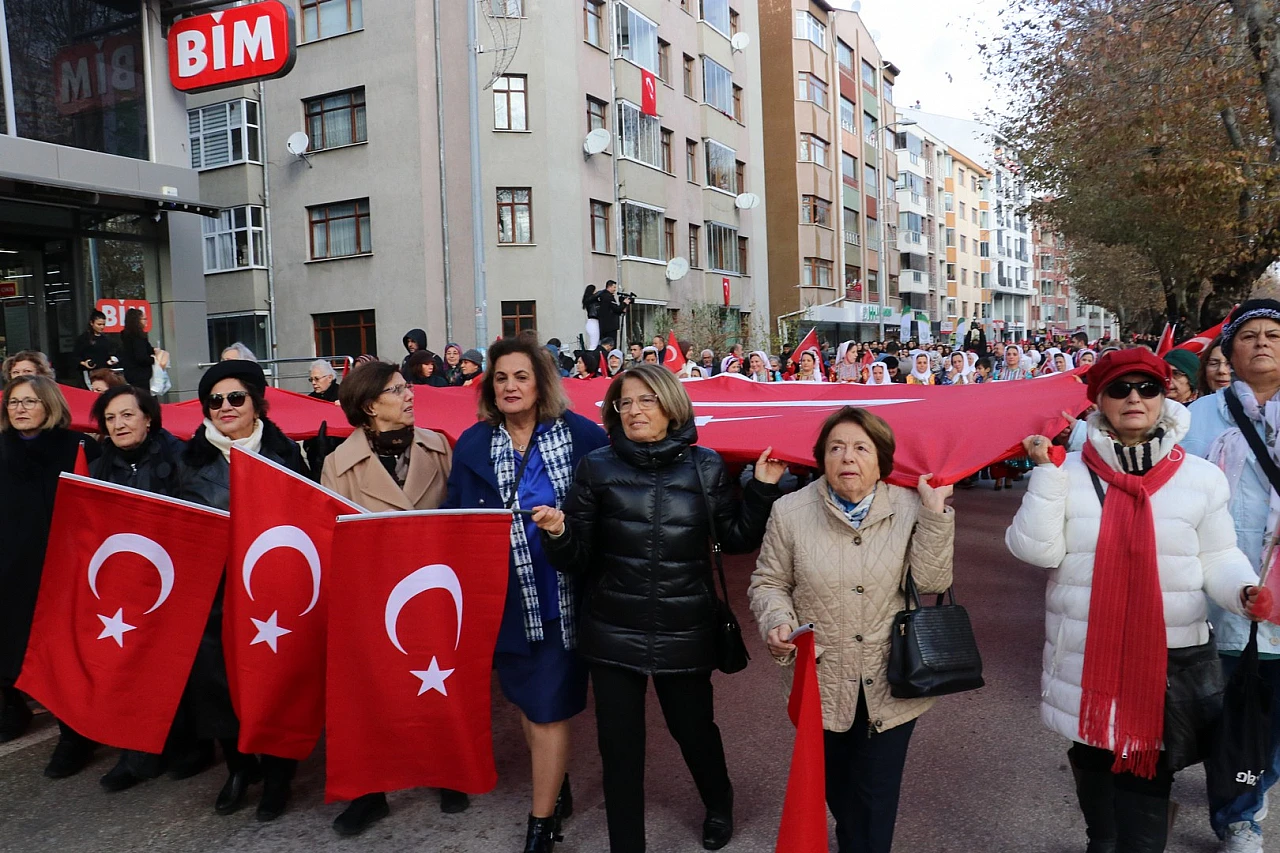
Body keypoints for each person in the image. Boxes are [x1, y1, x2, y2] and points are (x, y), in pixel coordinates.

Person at [1008, 347, 1265, 853]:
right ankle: (1101, 839)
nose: (1134, 398)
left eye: (1147, 388)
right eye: (1120, 388)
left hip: (1166, 655)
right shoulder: (1066, 471)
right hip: (1087, 649)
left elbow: (1218, 556)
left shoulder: (1200, 478)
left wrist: (1243, 591)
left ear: (1163, 396)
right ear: (1098, 400)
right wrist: (1047, 475)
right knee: (1092, 754)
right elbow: (1036, 551)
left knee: (1149, 764)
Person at [535, 364, 784, 852]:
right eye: (624, 402)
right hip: (612, 628)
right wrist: (559, 533)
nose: (634, 410)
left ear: (671, 406)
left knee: (694, 731)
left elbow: (735, 539)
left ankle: (719, 803)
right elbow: (576, 559)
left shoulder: (706, 465)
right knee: (619, 748)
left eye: (646, 400)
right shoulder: (596, 467)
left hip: (684, 626)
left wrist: (762, 489)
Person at [749, 407, 955, 853]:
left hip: (892, 677)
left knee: (875, 800)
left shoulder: (909, 506)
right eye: (836, 448)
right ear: (821, 457)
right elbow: (769, 582)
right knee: (839, 790)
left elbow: (932, 582)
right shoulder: (790, 511)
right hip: (822, 680)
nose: (847, 458)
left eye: (861, 448)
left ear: (881, 459)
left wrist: (935, 515)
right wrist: (777, 620)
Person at [440, 333, 608, 851]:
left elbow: (608, 509)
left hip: (563, 597)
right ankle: (556, 784)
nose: (510, 386)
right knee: (527, 701)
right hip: (505, 600)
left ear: (541, 384)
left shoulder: (582, 436)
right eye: (500, 378)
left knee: (548, 708)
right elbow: (455, 521)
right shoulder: (472, 444)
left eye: (521, 376)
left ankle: (541, 825)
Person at [320, 360, 462, 835]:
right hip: (373, 599)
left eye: (407, 386)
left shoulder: (438, 447)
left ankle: (446, 770)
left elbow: (460, 520)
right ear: (368, 406)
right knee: (372, 693)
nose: (410, 395)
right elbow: (333, 538)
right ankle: (371, 793)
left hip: (432, 591)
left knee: (437, 682)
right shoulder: (337, 465)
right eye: (397, 390)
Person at [177, 359, 308, 820]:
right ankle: (238, 767)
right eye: (215, 400)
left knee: (274, 684)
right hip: (213, 596)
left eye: (236, 397)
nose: (225, 407)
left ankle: (278, 776)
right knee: (218, 688)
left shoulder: (286, 455)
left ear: (256, 403)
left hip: (273, 595)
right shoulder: (188, 461)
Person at [1183, 301, 1280, 852]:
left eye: (1274, 334)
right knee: (1234, 715)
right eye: (1249, 336)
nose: (1262, 343)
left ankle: (1254, 783)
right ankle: (1239, 817)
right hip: (1224, 593)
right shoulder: (1195, 420)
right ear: (1229, 351)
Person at [88, 384, 186, 792]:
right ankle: (138, 755)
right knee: (131, 667)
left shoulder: (181, 457)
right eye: (110, 419)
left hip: (176, 578)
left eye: (127, 415)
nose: (118, 425)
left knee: (176, 667)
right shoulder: (97, 468)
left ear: (148, 418)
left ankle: (187, 746)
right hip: (124, 584)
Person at [0, 376, 101, 769]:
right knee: (14, 647)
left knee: (61, 655)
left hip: (66, 567)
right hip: (12, 570)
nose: (20, 409)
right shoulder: (2, 449)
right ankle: (15, 708)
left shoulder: (77, 447)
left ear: (49, 404)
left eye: (29, 401)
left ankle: (74, 736)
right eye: (14, 402)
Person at [73, 310, 117, 384]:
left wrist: (111, 360)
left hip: (104, 371)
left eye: (103, 324)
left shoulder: (106, 339)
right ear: (91, 323)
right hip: (89, 372)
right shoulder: (83, 339)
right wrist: (84, 363)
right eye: (99, 324)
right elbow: (75, 356)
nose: (102, 327)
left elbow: (110, 353)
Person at [118, 308, 155, 389]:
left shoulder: (126, 336)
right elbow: (141, 357)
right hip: (140, 375)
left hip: (130, 373)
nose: (146, 321)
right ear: (137, 321)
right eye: (144, 319)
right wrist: (154, 359)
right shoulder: (138, 338)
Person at [594, 281, 629, 350]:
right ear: (609, 287)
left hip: (604, 326)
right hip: (610, 326)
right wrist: (624, 303)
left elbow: (612, 310)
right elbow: (616, 309)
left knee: (604, 344)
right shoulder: (608, 297)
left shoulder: (602, 296)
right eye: (614, 287)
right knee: (611, 345)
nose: (615, 289)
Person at [582, 286, 601, 350]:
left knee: (595, 344)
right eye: (595, 291)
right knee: (594, 344)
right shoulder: (590, 301)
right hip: (593, 322)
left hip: (592, 322)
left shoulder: (590, 301)